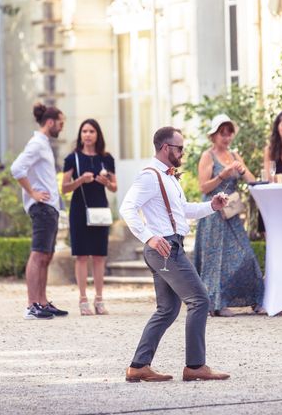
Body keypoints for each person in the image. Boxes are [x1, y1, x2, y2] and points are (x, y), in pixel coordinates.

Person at [119, 126, 231, 383]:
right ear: (165, 148)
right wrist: (149, 236)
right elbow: (127, 208)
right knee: (200, 299)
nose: (183, 152)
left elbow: (182, 210)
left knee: (168, 309)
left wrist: (211, 206)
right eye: (180, 148)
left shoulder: (169, 177)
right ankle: (195, 366)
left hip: (171, 245)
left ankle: (138, 366)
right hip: (165, 249)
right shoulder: (149, 176)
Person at [192, 114, 265, 317]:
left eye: (229, 133)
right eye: (222, 133)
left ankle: (256, 299)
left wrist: (241, 170)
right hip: (213, 213)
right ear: (214, 136)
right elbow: (203, 186)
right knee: (215, 259)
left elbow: (252, 180)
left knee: (246, 255)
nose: (226, 137)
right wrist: (222, 175)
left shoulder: (234, 155)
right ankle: (216, 303)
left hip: (231, 212)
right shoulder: (208, 156)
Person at [11, 103, 69, 320]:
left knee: (46, 256)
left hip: (50, 207)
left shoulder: (43, 144)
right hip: (42, 208)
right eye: (61, 123)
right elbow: (17, 168)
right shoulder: (36, 143)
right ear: (51, 122)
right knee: (38, 255)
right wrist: (33, 193)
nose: (62, 127)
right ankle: (31, 305)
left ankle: (42, 302)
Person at [62, 119, 117, 315]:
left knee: (100, 255)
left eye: (91, 131)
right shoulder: (72, 158)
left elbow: (114, 186)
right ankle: (83, 299)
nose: (87, 134)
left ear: (97, 135)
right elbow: (64, 188)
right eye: (84, 131)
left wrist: (105, 182)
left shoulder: (106, 159)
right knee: (82, 255)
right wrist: (80, 180)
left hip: (100, 208)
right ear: (80, 135)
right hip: (79, 210)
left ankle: (99, 299)